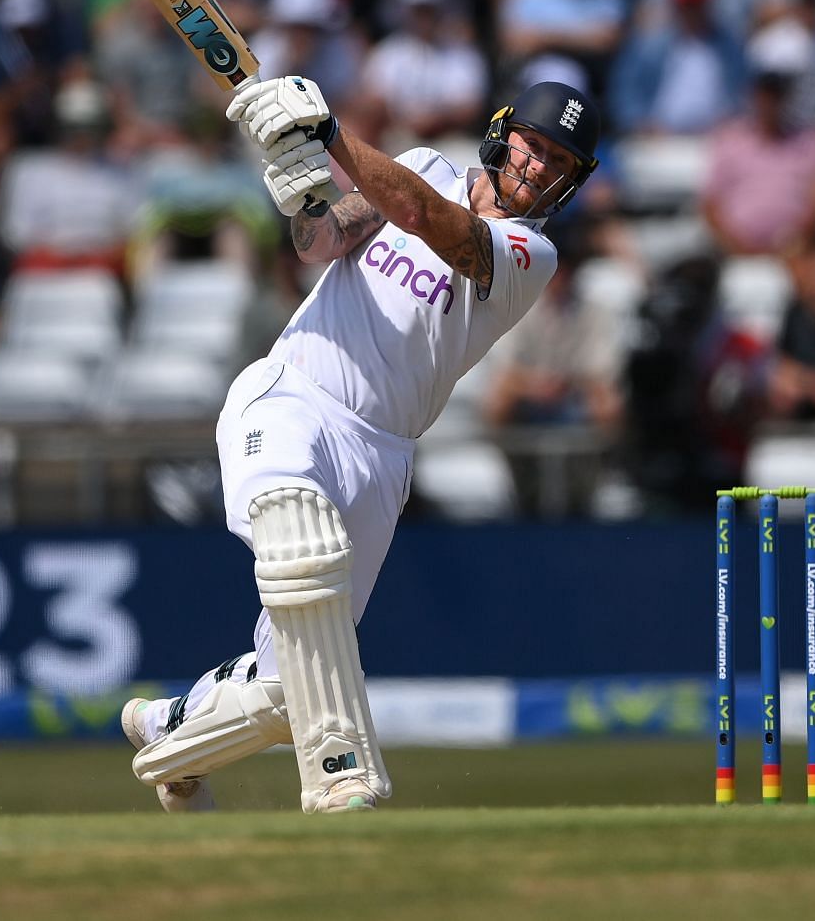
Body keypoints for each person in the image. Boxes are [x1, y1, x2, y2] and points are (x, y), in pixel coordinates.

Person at [120, 76, 599, 815]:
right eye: (535, 147)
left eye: (558, 163)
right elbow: (322, 244)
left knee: (297, 685)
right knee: (299, 543)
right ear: (505, 135)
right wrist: (304, 198)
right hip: (293, 394)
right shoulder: (426, 164)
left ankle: (167, 732)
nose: (538, 168)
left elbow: (422, 216)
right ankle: (342, 782)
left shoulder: (529, 254)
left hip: (382, 455)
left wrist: (330, 134)